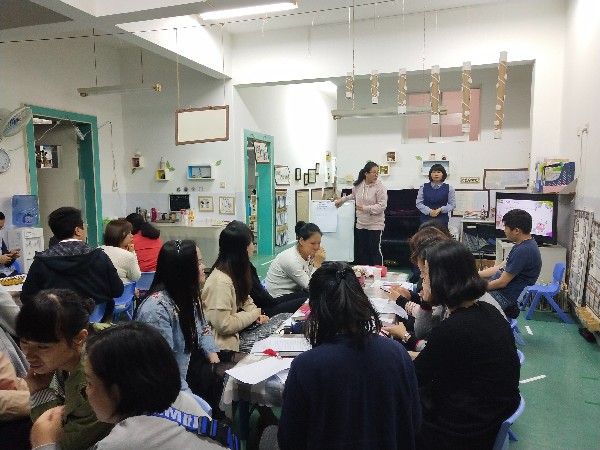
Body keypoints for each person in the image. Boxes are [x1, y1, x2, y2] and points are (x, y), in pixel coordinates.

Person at [278, 261, 421, 450]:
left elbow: (290, 438)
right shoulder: (397, 354)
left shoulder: (306, 366)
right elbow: (413, 422)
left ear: (314, 309)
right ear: (362, 301)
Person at [29, 322, 228, 450]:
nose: (86, 391)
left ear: (117, 391)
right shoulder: (184, 401)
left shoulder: (120, 444)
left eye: (89, 382)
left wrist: (44, 444)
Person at [412, 240, 520, 450]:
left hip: (463, 431)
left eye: (426, 275)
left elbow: (413, 377)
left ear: (441, 280)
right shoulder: (487, 311)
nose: (423, 281)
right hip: (489, 415)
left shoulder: (454, 329)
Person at [16, 289, 113, 450]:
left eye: (42, 347)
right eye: (24, 342)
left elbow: (60, 443)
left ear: (79, 338)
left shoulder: (95, 382)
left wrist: (40, 392)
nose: (29, 356)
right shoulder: (73, 356)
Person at [136, 240, 219, 392]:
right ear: (184, 270)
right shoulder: (156, 310)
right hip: (179, 378)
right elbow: (164, 368)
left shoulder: (187, 294)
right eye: (198, 263)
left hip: (192, 360)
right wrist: (189, 399)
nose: (203, 267)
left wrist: (214, 359)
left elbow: (203, 327)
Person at [202, 221, 288, 354]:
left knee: (283, 318)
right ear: (243, 249)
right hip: (227, 347)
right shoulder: (221, 282)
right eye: (252, 243)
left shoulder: (234, 273)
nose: (254, 247)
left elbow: (246, 300)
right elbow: (224, 325)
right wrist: (254, 314)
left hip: (240, 332)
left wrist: (258, 315)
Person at [21, 207, 123, 311]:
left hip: (58, 319)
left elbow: (26, 297)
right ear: (77, 231)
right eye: (84, 226)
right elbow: (118, 291)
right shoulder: (99, 256)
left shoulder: (42, 261)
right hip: (96, 317)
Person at [480, 208, 542, 319]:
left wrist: (478, 287)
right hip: (502, 292)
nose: (504, 230)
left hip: (504, 297)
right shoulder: (524, 244)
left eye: (506, 227)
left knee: (466, 303)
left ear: (516, 230)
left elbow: (502, 283)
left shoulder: (523, 250)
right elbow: (500, 267)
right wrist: (477, 274)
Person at [335, 162, 388, 265]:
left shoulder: (380, 187)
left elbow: (382, 206)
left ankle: (378, 272)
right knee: (363, 250)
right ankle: (365, 271)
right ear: (366, 173)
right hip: (361, 223)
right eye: (374, 172)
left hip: (375, 224)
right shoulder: (358, 185)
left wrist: (365, 208)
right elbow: (352, 196)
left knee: (374, 250)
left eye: (377, 172)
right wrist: (341, 200)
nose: (376, 175)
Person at [264, 221, 326, 298]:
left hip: (296, 292)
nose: (317, 247)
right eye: (313, 243)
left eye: (319, 243)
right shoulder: (291, 259)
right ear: (301, 241)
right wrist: (317, 264)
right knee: (317, 296)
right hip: (278, 297)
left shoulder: (309, 254)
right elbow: (312, 287)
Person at [100, 219, 141, 283]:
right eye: (129, 233)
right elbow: (136, 277)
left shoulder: (97, 250)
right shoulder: (127, 255)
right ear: (122, 234)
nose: (132, 236)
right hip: (120, 289)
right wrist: (132, 253)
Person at [0, 212, 20, 277]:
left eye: (1, 227)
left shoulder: (0, 239)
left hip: (5, 273)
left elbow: (6, 264)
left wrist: (11, 256)